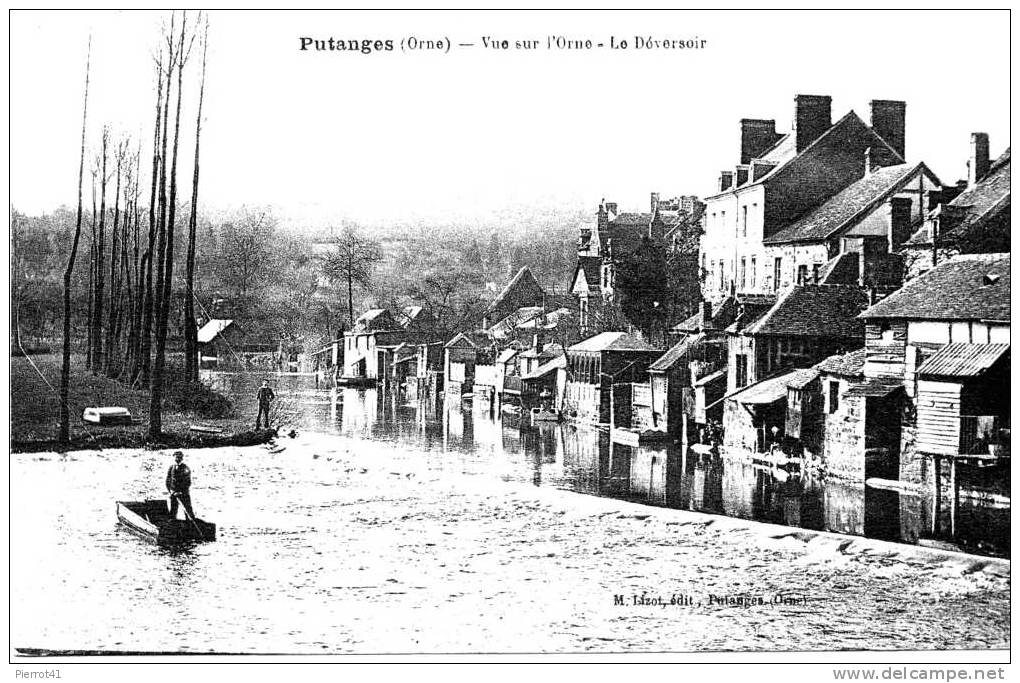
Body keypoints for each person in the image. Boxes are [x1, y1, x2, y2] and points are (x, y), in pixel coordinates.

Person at [166, 451, 196, 520]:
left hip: (184, 494)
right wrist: (171, 491)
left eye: (179, 457)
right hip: (173, 493)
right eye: (176, 457)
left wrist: (180, 492)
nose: (177, 459)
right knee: (173, 512)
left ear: (181, 458)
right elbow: (168, 480)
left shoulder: (185, 468)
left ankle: (191, 525)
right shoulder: (171, 468)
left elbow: (187, 482)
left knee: (188, 511)